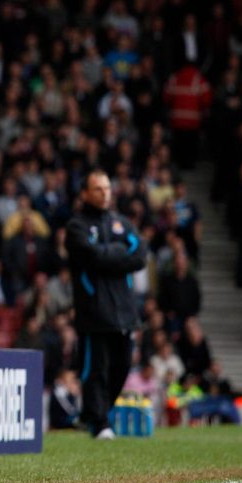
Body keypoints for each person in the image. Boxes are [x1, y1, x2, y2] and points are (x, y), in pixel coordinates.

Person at [65, 169, 148, 439]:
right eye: (98, 189)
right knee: (96, 368)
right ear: (85, 193)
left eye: (107, 188)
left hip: (124, 310)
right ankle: (99, 422)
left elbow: (140, 256)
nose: (104, 193)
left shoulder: (122, 224)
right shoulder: (76, 226)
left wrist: (107, 253)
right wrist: (118, 253)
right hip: (94, 310)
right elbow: (91, 257)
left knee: (122, 366)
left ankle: (93, 414)